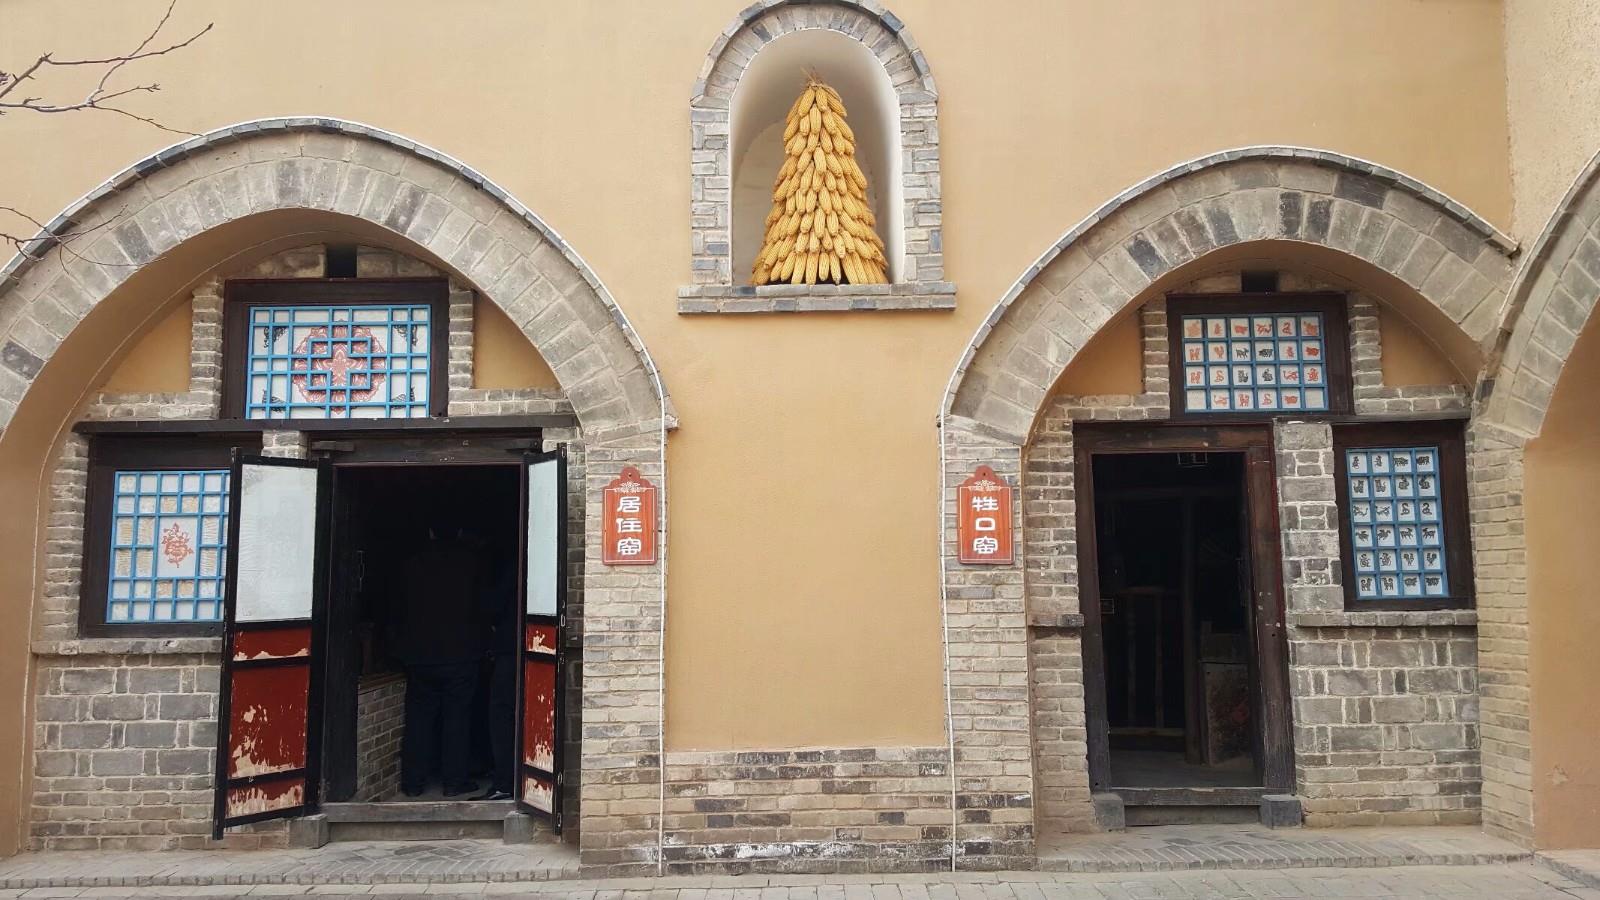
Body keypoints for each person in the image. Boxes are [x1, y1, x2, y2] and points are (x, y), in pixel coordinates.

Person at [395, 526, 490, 797]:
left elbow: (398, 610)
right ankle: (454, 781)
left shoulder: (411, 564)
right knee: (457, 720)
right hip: (462, 655)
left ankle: (413, 783)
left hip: (420, 656)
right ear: (459, 532)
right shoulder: (470, 563)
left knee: (418, 721)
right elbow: (482, 607)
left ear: (430, 532)